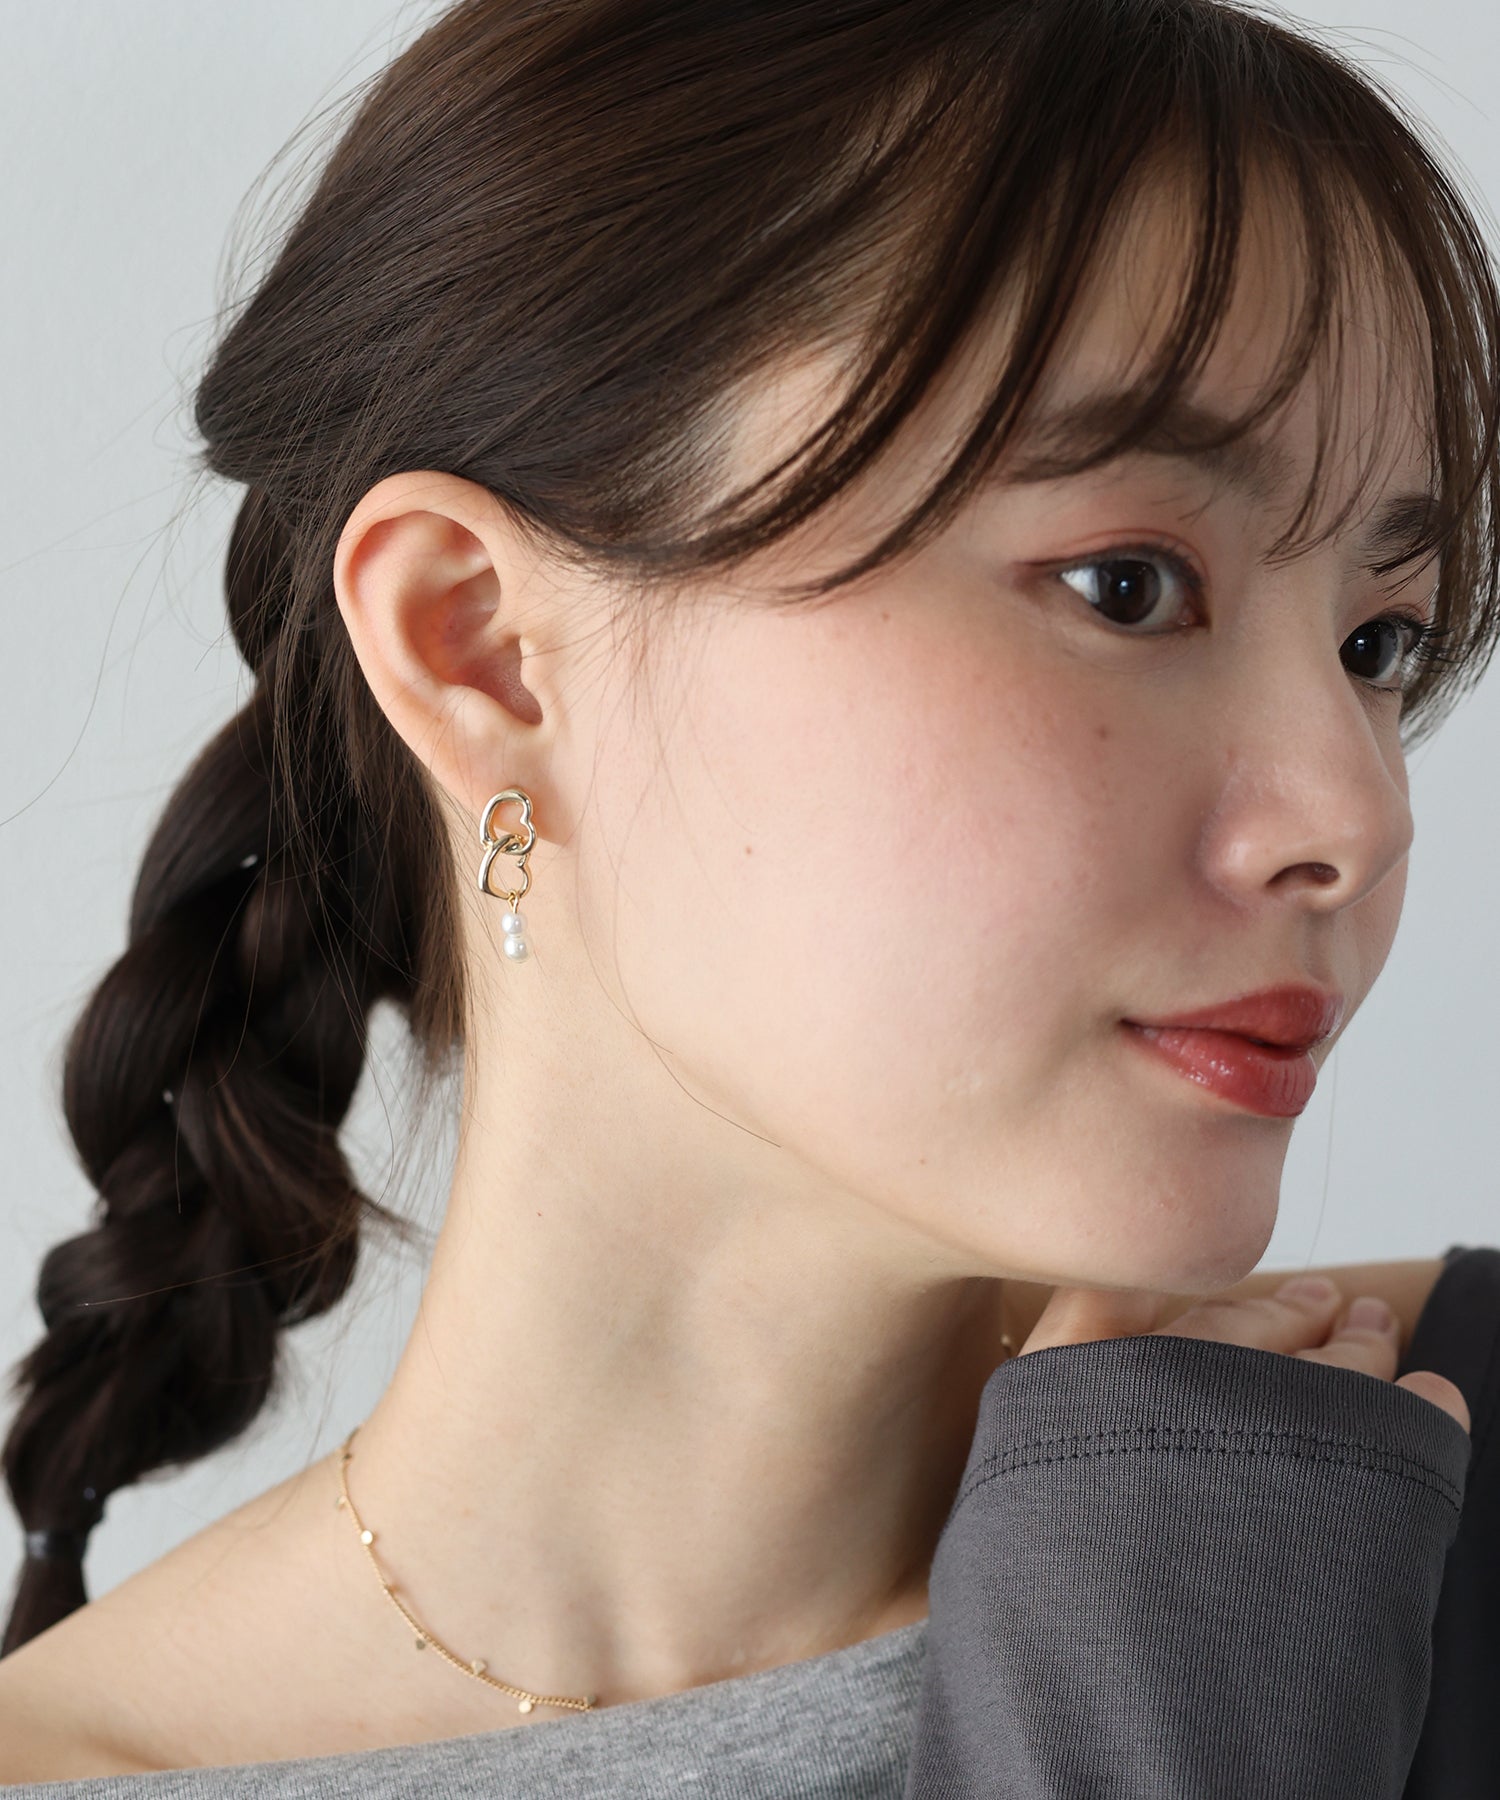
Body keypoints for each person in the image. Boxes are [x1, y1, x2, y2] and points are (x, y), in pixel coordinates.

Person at [0, 0, 1496, 1790]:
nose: (1354, 814)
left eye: (1379, 642)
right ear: (483, 648)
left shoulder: (1427, 1468)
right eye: (1126, 583)